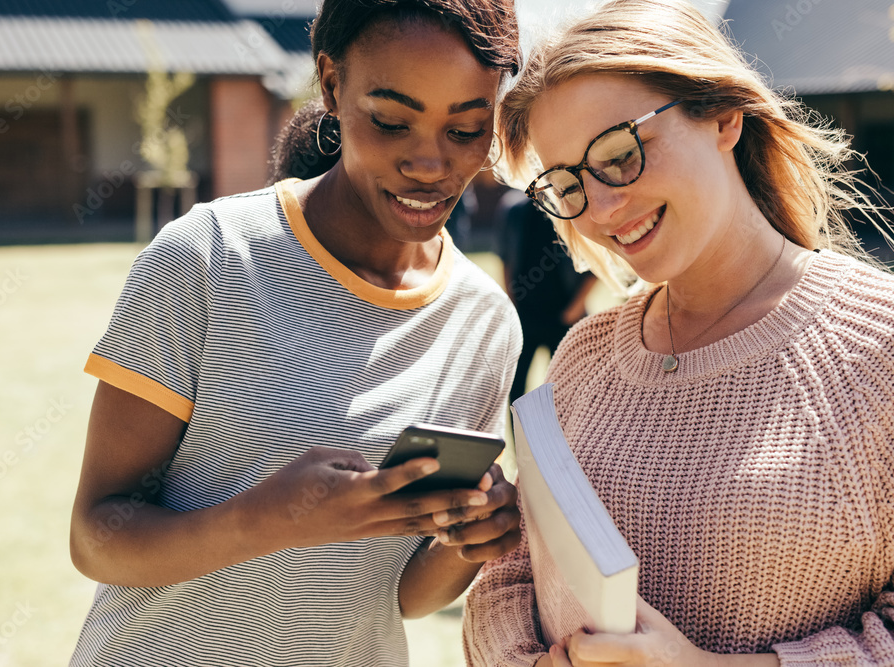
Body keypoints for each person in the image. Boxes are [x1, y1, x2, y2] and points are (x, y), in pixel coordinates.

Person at [67, 2, 525, 665]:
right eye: (392, 121)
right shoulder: (208, 258)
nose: (430, 163)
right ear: (332, 85)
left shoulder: (484, 323)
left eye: (465, 130)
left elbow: (400, 594)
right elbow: (95, 536)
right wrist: (266, 519)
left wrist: (467, 540)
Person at [463, 1, 894, 666]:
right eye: (569, 183)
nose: (602, 209)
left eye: (618, 153)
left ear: (723, 117)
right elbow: (514, 574)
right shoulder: (584, 358)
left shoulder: (877, 345)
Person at [496, 190, 596, 405]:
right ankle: (520, 438)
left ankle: (565, 439)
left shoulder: (571, 210)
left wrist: (575, 309)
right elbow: (506, 256)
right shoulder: (514, 208)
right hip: (525, 315)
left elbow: (594, 264)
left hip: (564, 316)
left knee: (569, 392)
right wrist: (512, 299)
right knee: (516, 391)